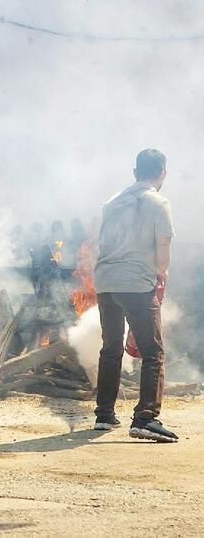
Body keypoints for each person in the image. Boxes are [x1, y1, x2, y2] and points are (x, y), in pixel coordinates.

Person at [93, 149, 177, 442]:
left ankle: (103, 415)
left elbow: (102, 242)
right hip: (137, 285)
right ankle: (146, 418)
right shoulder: (159, 202)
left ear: (134, 172)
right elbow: (162, 251)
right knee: (153, 353)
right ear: (163, 172)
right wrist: (161, 275)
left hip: (105, 283)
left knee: (111, 348)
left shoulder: (111, 203)